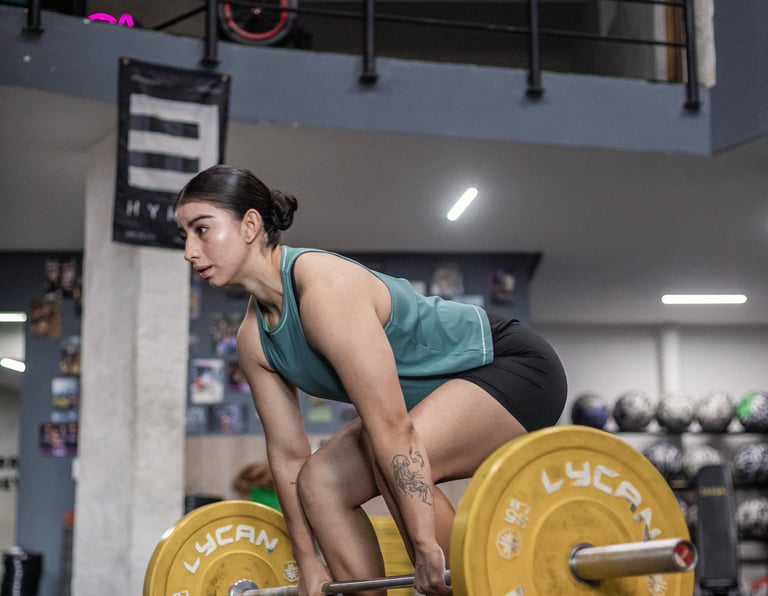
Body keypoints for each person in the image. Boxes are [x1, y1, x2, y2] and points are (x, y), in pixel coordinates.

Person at [175, 165, 567, 596]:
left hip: (511, 368)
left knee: (389, 460)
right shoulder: (253, 340)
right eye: (185, 235)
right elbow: (288, 457)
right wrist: (308, 563)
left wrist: (424, 545)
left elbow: (392, 428)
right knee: (320, 482)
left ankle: (473, 586)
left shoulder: (324, 290)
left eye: (202, 229)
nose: (190, 250)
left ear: (250, 225)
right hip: (422, 406)